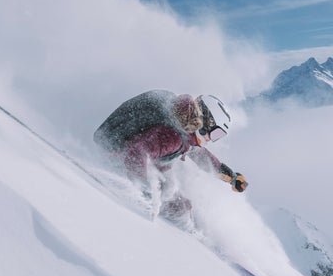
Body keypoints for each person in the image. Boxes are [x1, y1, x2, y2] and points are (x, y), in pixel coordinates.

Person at [93, 90, 248, 224]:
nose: (211, 139)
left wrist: (230, 176)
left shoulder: (179, 115)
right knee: (181, 208)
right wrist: (146, 191)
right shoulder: (173, 136)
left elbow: (200, 155)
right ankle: (188, 230)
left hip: (120, 149)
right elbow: (136, 154)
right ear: (206, 123)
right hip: (117, 161)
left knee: (180, 200)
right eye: (215, 133)